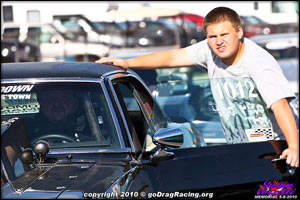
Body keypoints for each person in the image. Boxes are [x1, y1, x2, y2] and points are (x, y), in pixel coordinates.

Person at [95, 7, 299, 167]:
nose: (219, 42)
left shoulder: (259, 63)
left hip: (276, 149)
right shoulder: (210, 50)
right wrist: (129, 63)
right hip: (241, 148)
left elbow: (280, 105)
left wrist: (294, 147)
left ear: (239, 32)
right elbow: (174, 56)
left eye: (225, 35)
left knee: (273, 193)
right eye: (212, 36)